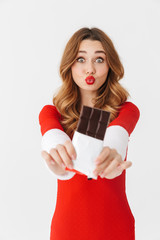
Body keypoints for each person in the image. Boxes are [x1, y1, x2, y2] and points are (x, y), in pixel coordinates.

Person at [39, 27, 140, 240]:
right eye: (81, 59)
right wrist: (58, 161)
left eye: (99, 60)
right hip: (67, 228)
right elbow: (52, 136)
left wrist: (111, 153)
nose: (90, 69)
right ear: (70, 65)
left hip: (116, 227)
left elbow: (117, 134)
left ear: (110, 65)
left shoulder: (126, 110)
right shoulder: (52, 113)